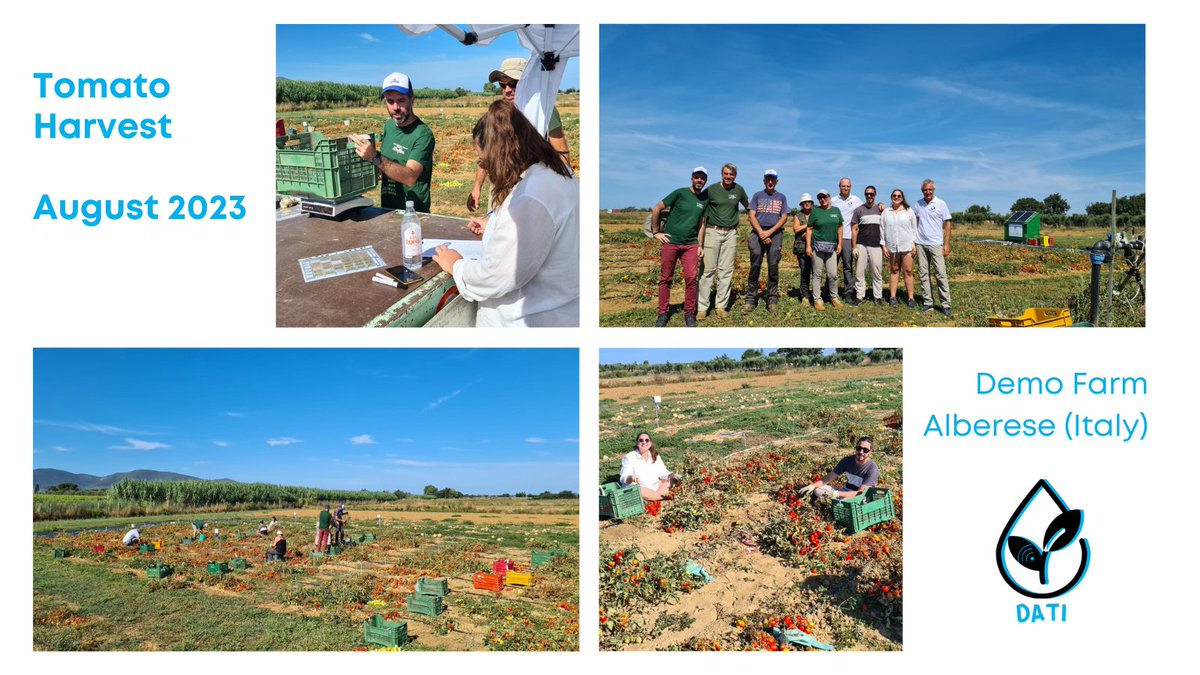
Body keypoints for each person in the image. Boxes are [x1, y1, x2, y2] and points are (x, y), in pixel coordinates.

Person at [431, 101, 579, 327]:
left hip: (526, 322)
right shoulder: (555, 174)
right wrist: (493, 223)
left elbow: (497, 276)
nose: (486, 168)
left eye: (484, 161)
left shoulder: (532, 198)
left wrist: (457, 266)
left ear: (501, 155)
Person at [468, 57, 572, 212]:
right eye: (502, 85)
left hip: (531, 190)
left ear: (527, 82)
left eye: (513, 84)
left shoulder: (544, 111)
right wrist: (477, 187)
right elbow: (486, 155)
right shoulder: (498, 114)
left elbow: (562, 154)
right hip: (501, 189)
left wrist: (564, 192)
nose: (507, 90)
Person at [352, 72, 435, 212]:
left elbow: (410, 177)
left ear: (412, 100)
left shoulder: (423, 134)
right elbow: (387, 162)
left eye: (401, 100)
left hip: (414, 212)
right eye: (390, 101)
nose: (395, 107)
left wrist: (375, 157)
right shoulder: (389, 126)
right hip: (387, 210)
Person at [649, 167, 709, 327]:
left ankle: (689, 313)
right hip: (671, 242)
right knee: (666, 278)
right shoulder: (680, 193)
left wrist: (700, 244)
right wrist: (656, 232)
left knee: (691, 278)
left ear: (705, 181)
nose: (699, 180)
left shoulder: (704, 200)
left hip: (690, 245)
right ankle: (663, 313)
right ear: (692, 179)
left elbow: (702, 223)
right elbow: (657, 208)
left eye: (702, 178)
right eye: (697, 177)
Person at [697, 163, 749, 317]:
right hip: (712, 232)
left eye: (731, 174)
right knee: (707, 271)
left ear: (735, 176)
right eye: (726, 174)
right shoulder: (712, 190)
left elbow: (749, 207)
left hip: (730, 234)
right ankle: (702, 307)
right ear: (721, 174)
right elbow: (700, 208)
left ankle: (721, 306)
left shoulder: (738, 190)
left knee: (726, 271)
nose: (728, 177)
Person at [745, 170, 790, 313]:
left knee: (773, 266)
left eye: (773, 179)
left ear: (777, 181)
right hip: (758, 233)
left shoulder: (781, 197)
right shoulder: (757, 196)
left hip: (775, 234)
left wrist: (769, 233)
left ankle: (772, 299)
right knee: (755, 265)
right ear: (764, 181)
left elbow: (784, 218)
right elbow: (751, 216)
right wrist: (761, 233)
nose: (770, 182)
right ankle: (750, 299)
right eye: (768, 179)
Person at [913, 179, 953, 317]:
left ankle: (946, 304)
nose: (928, 192)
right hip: (921, 243)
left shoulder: (941, 204)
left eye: (930, 190)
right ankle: (928, 302)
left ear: (934, 190)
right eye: (925, 190)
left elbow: (947, 224)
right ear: (922, 191)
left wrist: (946, 244)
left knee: (940, 274)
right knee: (923, 274)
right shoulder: (918, 204)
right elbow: (914, 223)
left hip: (936, 244)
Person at [797, 437, 880, 501]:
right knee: (818, 489)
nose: (861, 452)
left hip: (859, 498)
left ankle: (834, 503)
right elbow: (829, 478)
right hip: (845, 491)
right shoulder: (847, 461)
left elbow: (860, 493)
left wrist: (836, 494)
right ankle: (834, 503)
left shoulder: (872, 469)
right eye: (859, 448)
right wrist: (812, 485)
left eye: (865, 450)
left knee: (849, 502)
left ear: (870, 452)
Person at [805, 189, 844, 310]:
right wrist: (808, 246)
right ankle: (817, 299)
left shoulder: (836, 211)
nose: (822, 199)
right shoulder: (815, 211)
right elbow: (809, 229)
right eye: (820, 198)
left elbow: (840, 228)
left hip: (831, 248)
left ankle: (834, 298)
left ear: (829, 197)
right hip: (817, 247)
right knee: (817, 274)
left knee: (832, 275)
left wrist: (839, 244)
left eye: (824, 197)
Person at [881, 188, 918, 308]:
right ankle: (893, 297)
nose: (896, 197)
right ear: (891, 197)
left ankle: (911, 298)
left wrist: (914, 244)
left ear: (902, 198)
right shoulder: (886, 212)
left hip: (907, 246)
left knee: (908, 271)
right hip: (892, 247)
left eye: (899, 196)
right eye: (894, 195)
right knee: (894, 270)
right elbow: (882, 229)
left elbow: (914, 229)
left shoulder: (908, 211)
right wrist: (884, 246)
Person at [619, 433, 679, 502]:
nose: (644, 442)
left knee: (672, 481)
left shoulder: (655, 455)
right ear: (637, 443)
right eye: (641, 440)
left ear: (650, 443)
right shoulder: (629, 457)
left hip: (654, 487)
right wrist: (631, 478)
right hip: (641, 489)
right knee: (638, 490)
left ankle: (653, 498)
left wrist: (671, 475)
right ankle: (660, 497)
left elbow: (663, 472)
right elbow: (624, 477)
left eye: (647, 440)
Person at [851, 186, 885, 304]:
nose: (869, 196)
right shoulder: (859, 210)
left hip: (876, 245)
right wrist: (854, 247)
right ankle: (859, 296)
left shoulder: (881, 210)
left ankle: (878, 296)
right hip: (862, 245)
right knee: (860, 272)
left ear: (875, 195)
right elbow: (854, 229)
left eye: (871, 194)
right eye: (867, 194)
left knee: (877, 272)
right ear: (865, 195)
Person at [830, 177, 863, 299]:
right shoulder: (833, 200)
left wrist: (880, 206)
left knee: (847, 266)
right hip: (834, 238)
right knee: (832, 266)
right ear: (839, 186)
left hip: (848, 237)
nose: (846, 188)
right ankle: (830, 291)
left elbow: (865, 209)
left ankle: (848, 292)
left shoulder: (856, 200)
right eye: (843, 186)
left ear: (851, 187)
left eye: (848, 186)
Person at [791, 194, 815, 306]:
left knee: (816, 272)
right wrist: (808, 226)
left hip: (815, 247)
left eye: (809, 201)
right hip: (801, 247)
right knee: (805, 271)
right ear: (801, 204)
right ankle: (805, 295)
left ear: (812, 203)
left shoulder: (816, 213)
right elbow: (796, 229)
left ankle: (815, 294)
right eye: (805, 202)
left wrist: (810, 233)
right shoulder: (798, 215)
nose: (807, 203)